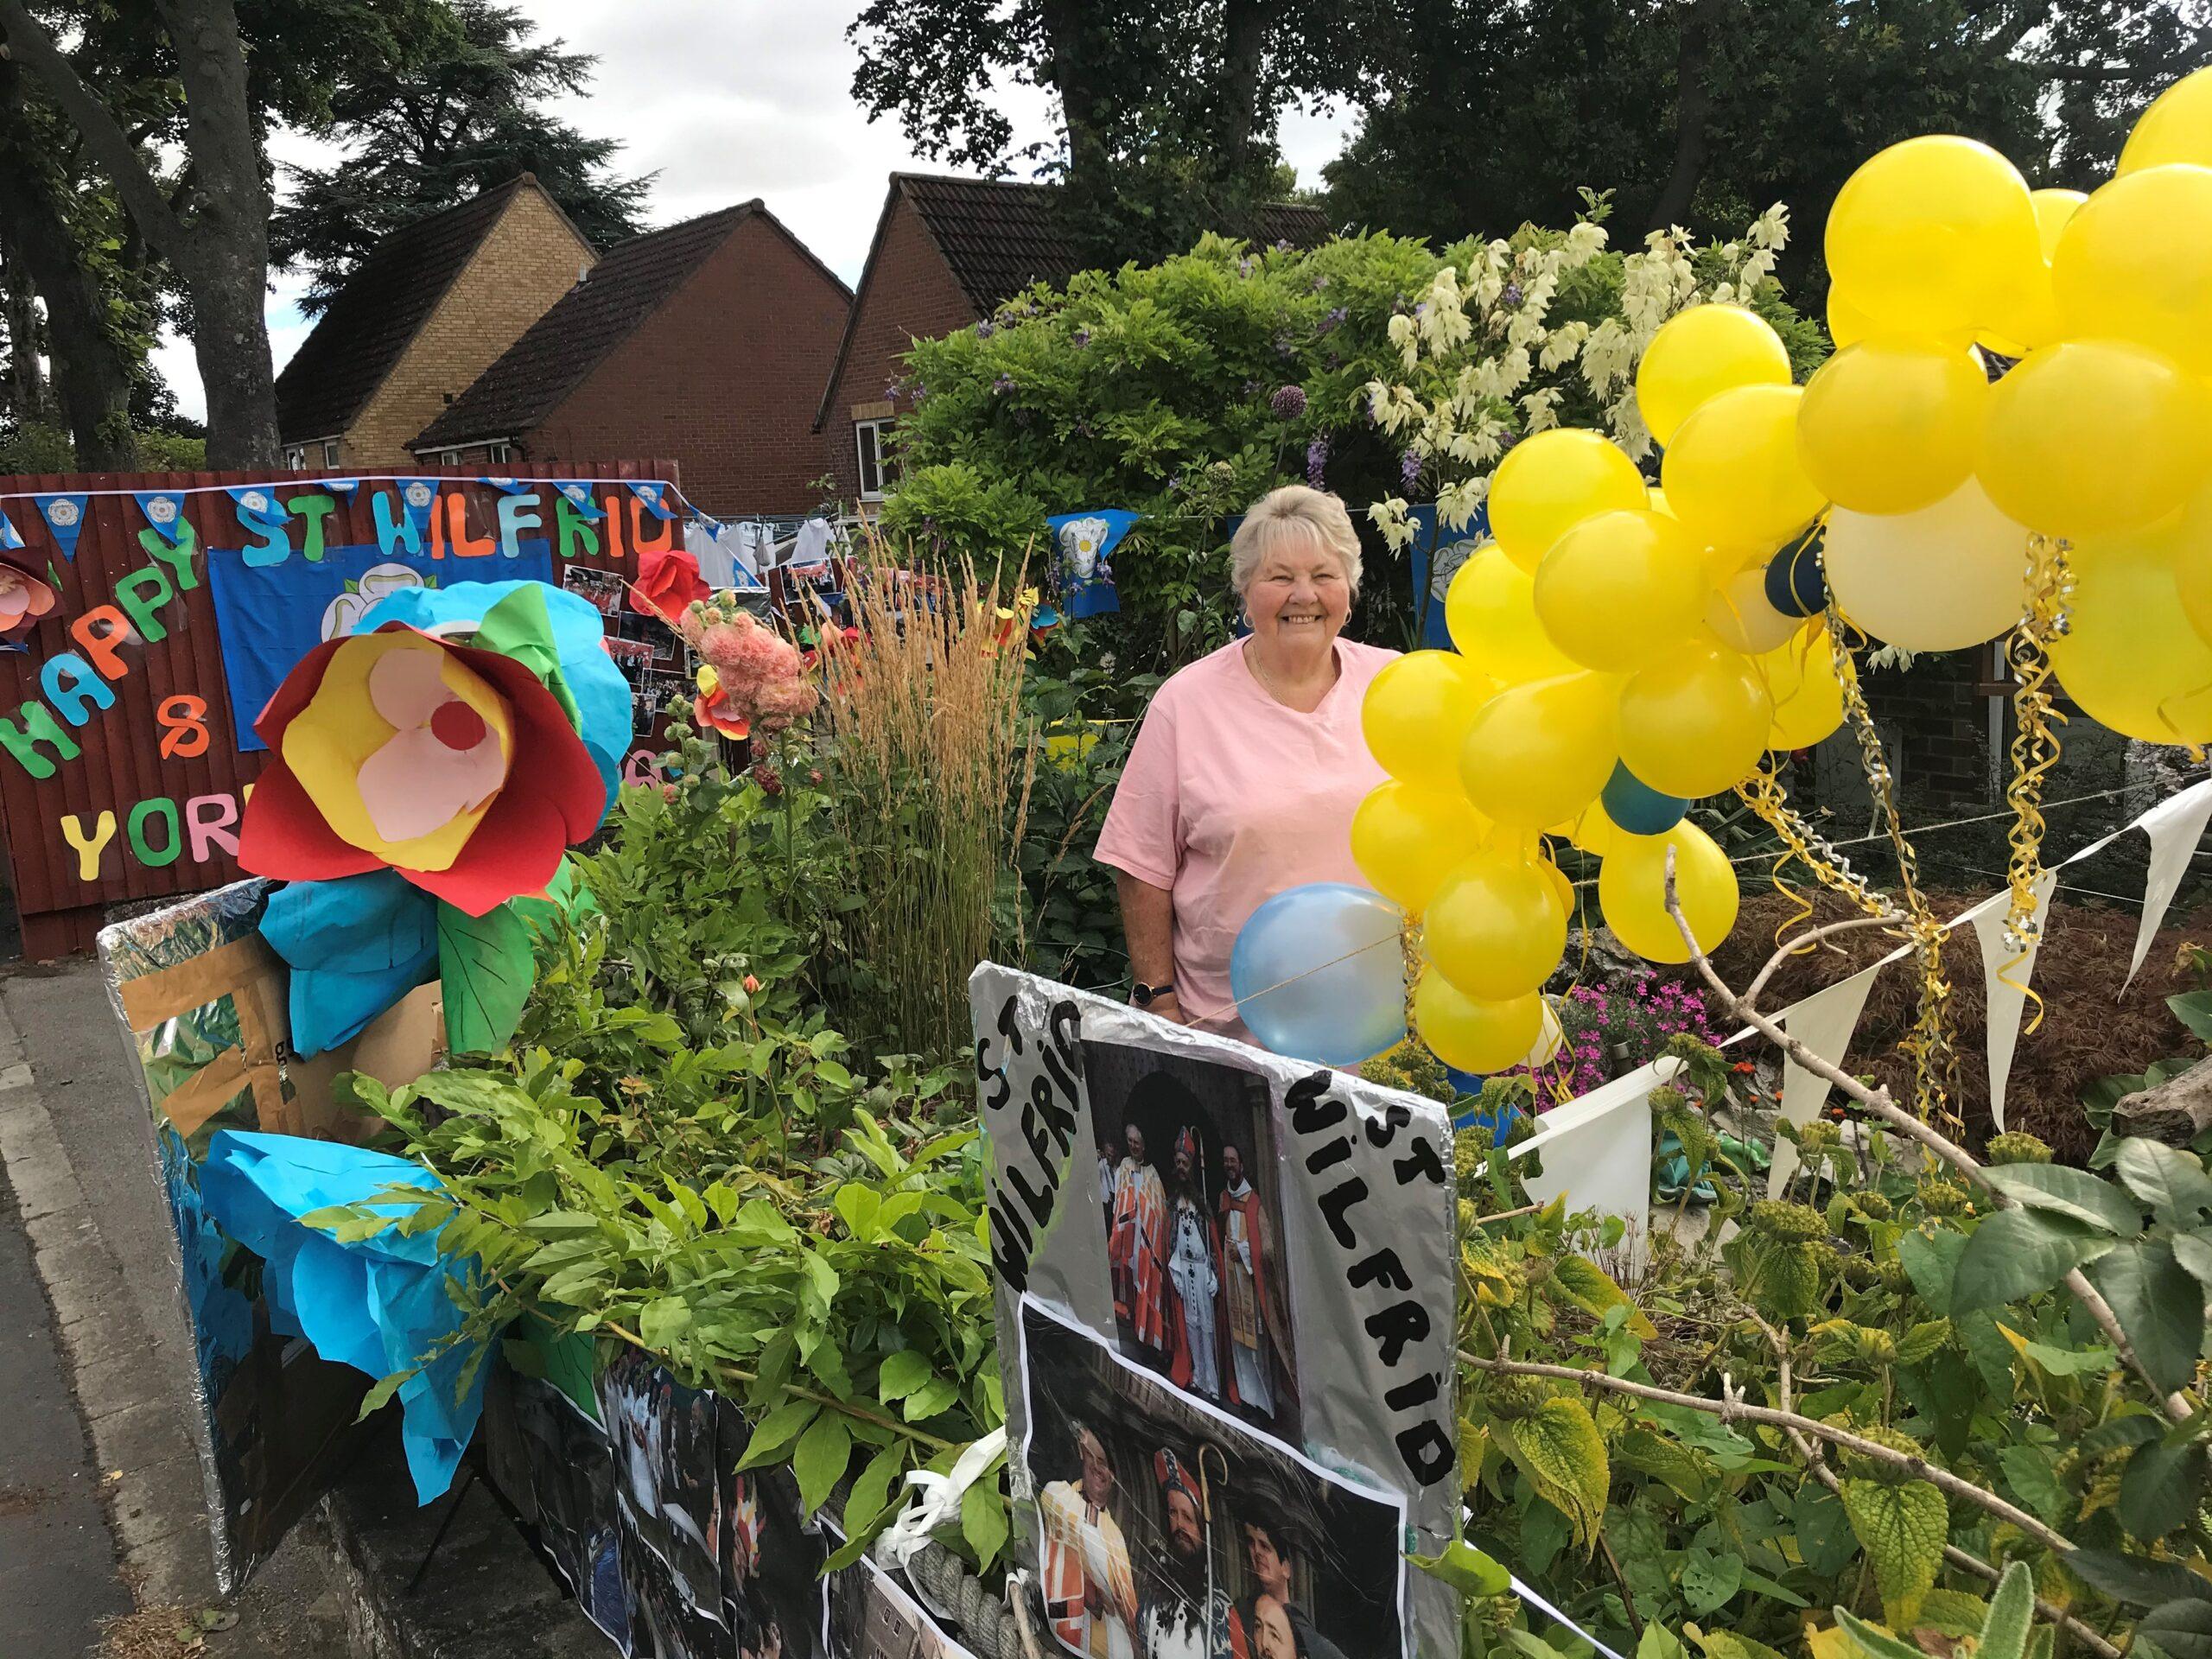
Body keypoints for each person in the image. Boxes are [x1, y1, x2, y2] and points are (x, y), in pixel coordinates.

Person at [1096, 486, 1396, 1037]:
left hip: (1387, 1030)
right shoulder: (1187, 703)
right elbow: (1140, 865)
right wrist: (1160, 1003)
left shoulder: (1397, 687)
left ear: (1348, 591)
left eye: (1324, 575)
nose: (1303, 595)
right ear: (1246, 591)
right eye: (1280, 577)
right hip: (1236, 1038)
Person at [1041, 1421, 1139, 1659]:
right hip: (1059, 1624)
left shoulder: (1116, 1536)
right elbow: (1072, 1528)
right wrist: (1096, 1592)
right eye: (1091, 1456)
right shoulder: (1056, 1493)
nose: (1097, 1467)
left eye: (1104, 1463)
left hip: (1107, 1637)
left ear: (1113, 1476)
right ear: (1081, 1456)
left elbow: (1126, 1602)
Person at [1136, 1448, 1243, 1659]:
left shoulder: (1222, 1614)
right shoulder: (1152, 1592)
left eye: (1188, 1517)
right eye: (1173, 1513)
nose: (1179, 1526)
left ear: (1204, 1531)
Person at [1217, 1143, 1285, 1421]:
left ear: (1242, 1165)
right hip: (1233, 1286)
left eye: (1233, 1160)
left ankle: (1265, 1405)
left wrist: (1242, 1251)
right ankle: (1247, 1398)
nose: (1229, 1164)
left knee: (1256, 1347)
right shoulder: (1226, 1199)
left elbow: (1267, 1248)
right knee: (1239, 1345)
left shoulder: (1254, 1203)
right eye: (1226, 1161)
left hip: (1251, 1287)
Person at [1235, 1503, 1346, 1659]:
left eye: (1265, 1546)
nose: (1257, 1552)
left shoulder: (1302, 1628)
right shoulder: (1241, 1613)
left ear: (1286, 1568)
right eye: (1251, 1544)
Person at [1164, 1128, 1222, 1401]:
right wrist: (1173, 1269)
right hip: (1184, 1272)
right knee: (1190, 1326)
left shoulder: (1202, 1203)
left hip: (1201, 1272)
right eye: (1177, 1163)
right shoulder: (1174, 1203)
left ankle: (1213, 1382)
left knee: (1207, 1326)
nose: (1181, 1168)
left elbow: (1211, 1243)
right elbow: (1172, 1240)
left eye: (1184, 1163)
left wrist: (1213, 1273)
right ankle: (1197, 1376)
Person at [1109, 1123, 1171, 1355]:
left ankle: (1146, 1335)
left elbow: (1158, 1210)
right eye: (1130, 1142)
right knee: (1129, 1282)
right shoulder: (1124, 1166)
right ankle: (1132, 1326)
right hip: (1128, 1237)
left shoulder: (1153, 1174)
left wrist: (1144, 1212)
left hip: (1145, 1242)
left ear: (1144, 1145)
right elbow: (1120, 1197)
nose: (1133, 1146)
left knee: (1144, 1280)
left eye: (1137, 1142)